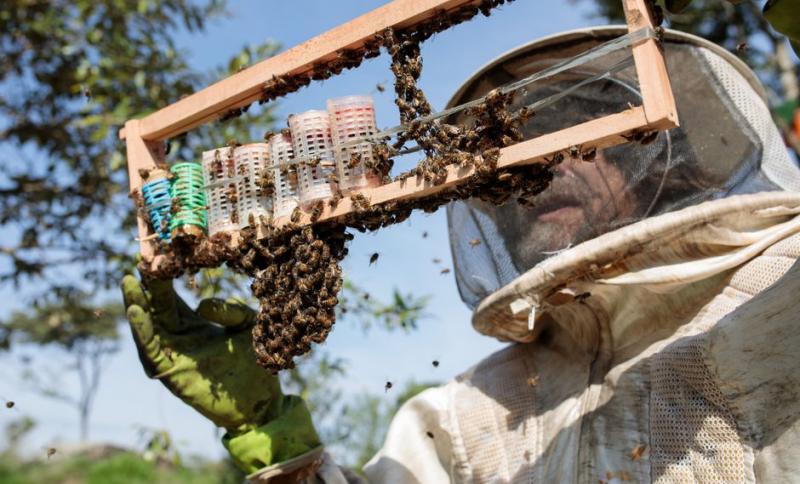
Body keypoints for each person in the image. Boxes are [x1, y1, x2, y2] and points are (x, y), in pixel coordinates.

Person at [122, 27, 800, 483]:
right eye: (506, 151)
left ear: (646, 154)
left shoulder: (783, 296)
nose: (541, 170)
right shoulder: (467, 414)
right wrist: (271, 433)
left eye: (571, 134)